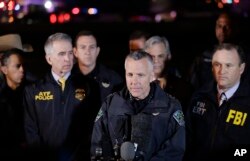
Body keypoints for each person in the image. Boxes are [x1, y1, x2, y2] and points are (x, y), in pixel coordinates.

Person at [91, 50, 185, 161]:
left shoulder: (171, 107)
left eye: (140, 75)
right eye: (130, 75)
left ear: (151, 76)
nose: (134, 81)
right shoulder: (110, 104)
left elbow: (174, 151)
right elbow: (98, 144)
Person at [23, 33, 90, 161]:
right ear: (49, 59)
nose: (68, 59)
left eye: (70, 53)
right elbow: (30, 130)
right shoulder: (33, 90)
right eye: (61, 54)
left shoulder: (87, 86)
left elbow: (90, 128)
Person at [185, 43, 250, 161]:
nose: (222, 71)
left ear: (241, 68)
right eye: (217, 65)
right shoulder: (199, 97)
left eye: (228, 65)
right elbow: (186, 140)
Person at [189, 12, 237, 90]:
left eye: (226, 26)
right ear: (215, 28)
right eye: (219, 26)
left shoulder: (243, 57)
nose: (222, 30)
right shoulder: (204, 57)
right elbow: (193, 86)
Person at [144, 35, 193, 112]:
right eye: (152, 56)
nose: (156, 60)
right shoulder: (136, 87)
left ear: (168, 57)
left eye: (160, 56)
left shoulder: (184, 89)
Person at [73, 30, 123, 103]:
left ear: (97, 51)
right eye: (83, 47)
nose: (87, 52)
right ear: (75, 52)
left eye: (92, 47)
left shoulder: (113, 79)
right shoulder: (65, 78)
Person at [0, 49, 28, 159]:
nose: (22, 70)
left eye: (23, 65)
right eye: (17, 66)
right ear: (4, 70)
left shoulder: (32, 90)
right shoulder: (2, 95)